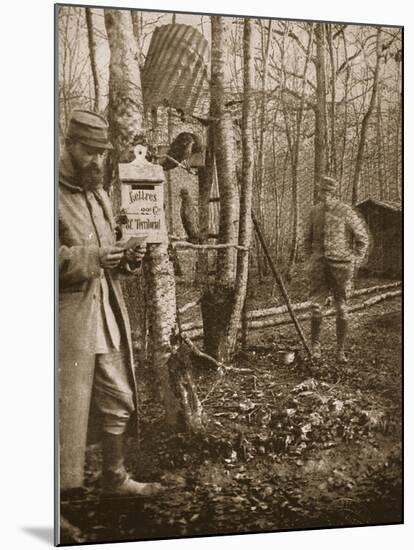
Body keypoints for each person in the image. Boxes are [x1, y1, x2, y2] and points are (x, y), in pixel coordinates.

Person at [58, 110, 163, 501]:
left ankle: (114, 478)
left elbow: (109, 248)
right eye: (90, 152)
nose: (98, 161)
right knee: (62, 411)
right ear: (68, 146)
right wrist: (94, 257)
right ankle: (53, 507)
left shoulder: (98, 192)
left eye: (103, 153)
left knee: (118, 395)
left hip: (106, 313)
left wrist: (127, 257)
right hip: (66, 321)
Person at [304, 176, 369, 364]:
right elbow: (306, 238)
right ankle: (315, 347)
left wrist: (355, 260)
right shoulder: (314, 212)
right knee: (316, 307)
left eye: (327, 192)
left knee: (342, 308)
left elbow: (362, 238)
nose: (323, 196)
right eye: (321, 192)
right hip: (318, 267)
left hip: (342, 267)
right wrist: (311, 258)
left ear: (333, 193)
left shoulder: (346, 211)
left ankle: (340, 351)